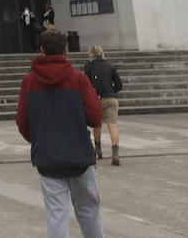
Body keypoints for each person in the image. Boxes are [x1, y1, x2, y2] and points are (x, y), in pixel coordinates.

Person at [16, 28, 104, 238]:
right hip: (79, 155)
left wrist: (39, 139)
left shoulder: (29, 82)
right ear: (65, 49)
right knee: (88, 210)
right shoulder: (79, 79)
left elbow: (22, 121)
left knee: (56, 214)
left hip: (48, 156)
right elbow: (95, 116)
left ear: (41, 50)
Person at [83, 45, 124, 166]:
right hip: (111, 98)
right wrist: (112, 91)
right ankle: (115, 154)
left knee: (97, 124)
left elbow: (86, 84)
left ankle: (98, 148)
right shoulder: (110, 66)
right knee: (113, 125)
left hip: (96, 99)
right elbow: (119, 85)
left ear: (91, 55)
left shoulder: (88, 67)